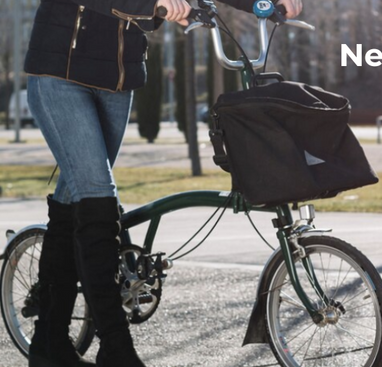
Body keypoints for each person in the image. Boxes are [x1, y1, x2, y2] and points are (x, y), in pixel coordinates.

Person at [22, 0, 302, 366]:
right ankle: (116, 349)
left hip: (118, 81)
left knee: (76, 199)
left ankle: (49, 344)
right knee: (98, 202)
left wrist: (261, 2)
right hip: (60, 75)